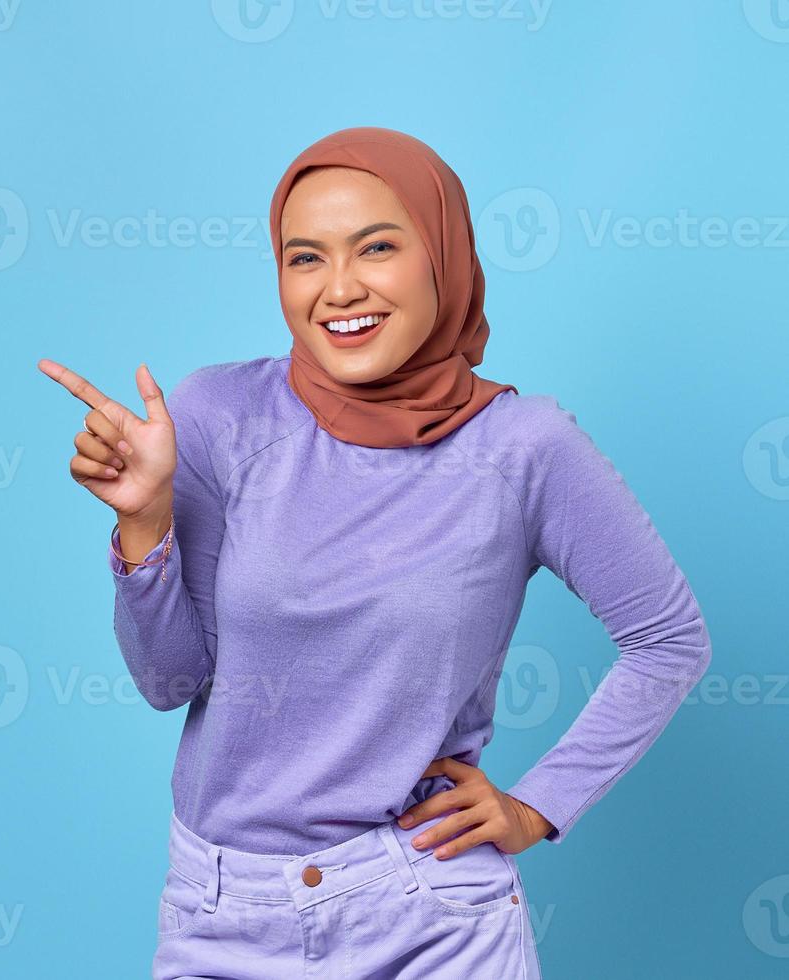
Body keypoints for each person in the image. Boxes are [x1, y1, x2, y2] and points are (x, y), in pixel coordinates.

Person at [37, 126, 712, 979]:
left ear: (443, 256)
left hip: (429, 917)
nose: (339, 289)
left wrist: (538, 806)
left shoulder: (524, 447)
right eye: (304, 258)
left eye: (378, 247)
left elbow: (669, 640)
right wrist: (146, 522)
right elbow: (168, 683)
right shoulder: (216, 416)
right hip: (224, 910)